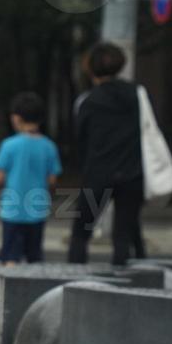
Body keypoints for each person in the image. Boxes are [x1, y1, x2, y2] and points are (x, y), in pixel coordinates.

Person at [69, 42, 149, 265]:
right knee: (123, 236)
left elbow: (80, 140)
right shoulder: (137, 94)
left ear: (91, 69)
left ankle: (74, 282)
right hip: (133, 174)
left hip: (98, 175)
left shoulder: (88, 101)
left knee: (81, 232)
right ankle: (125, 286)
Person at [0, 92, 62, 265]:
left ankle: (10, 289)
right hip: (37, 210)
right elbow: (52, 180)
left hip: (12, 209)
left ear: (16, 118)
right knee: (34, 257)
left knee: (10, 257)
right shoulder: (49, 146)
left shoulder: (9, 145)